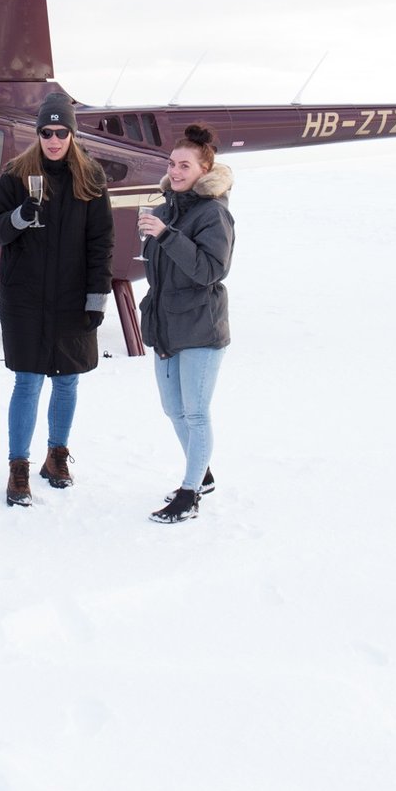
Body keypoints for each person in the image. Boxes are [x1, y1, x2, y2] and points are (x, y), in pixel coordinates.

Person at [0, 96, 115, 506]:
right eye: (46, 132)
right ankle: (18, 467)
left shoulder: (91, 177)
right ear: (37, 134)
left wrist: (96, 297)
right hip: (25, 299)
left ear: (72, 134)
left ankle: (56, 456)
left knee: (67, 381)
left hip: (72, 298)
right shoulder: (16, 174)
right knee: (27, 381)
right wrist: (20, 216)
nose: (54, 140)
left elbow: (101, 243)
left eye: (61, 132)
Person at [136, 123, 234, 524]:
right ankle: (203, 473)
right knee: (172, 408)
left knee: (195, 413)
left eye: (185, 165)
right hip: (166, 325)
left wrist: (166, 236)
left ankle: (190, 493)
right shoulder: (164, 209)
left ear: (204, 168)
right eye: (172, 164)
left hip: (200, 327)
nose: (175, 172)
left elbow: (210, 271)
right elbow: (158, 269)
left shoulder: (215, 213)